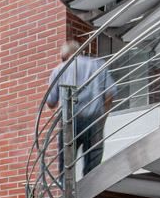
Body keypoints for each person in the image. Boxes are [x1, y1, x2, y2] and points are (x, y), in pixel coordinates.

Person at [47, 40, 116, 177]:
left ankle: (66, 188)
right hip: (94, 119)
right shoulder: (98, 64)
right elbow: (109, 94)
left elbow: (50, 102)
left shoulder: (59, 70)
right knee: (93, 167)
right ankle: (91, 188)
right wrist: (103, 117)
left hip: (69, 121)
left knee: (66, 167)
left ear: (64, 54)